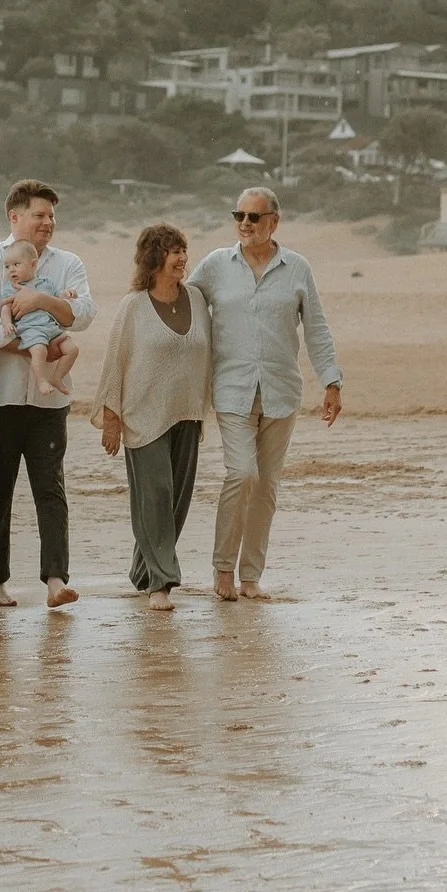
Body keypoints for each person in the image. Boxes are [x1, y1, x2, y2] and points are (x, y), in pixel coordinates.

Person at [190, 187, 343, 602]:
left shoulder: (297, 268)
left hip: (280, 391)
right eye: (238, 214)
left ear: (274, 221)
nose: (244, 223)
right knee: (242, 474)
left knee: (266, 486)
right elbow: (180, 303)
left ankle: (251, 576)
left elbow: (316, 328)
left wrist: (331, 381)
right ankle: (223, 570)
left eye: (254, 217)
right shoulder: (216, 265)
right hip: (231, 389)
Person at [0, 178, 96, 609]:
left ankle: (56, 581)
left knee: (50, 489)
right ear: (14, 216)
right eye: (39, 215)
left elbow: (84, 315)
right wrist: (45, 344)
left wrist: (41, 299)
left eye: (52, 215)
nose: (48, 223)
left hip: (49, 401)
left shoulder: (67, 263)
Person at [91, 223, 211, 611]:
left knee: (176, 501)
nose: (182, 259)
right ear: (154, 259)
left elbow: (207, 357)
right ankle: (162, 582)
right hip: (143, 414)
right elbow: (115, 361)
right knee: (155, 495)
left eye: (182, 250)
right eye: (173, 251)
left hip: (187, 413)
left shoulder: (196, 298)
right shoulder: (134, 306)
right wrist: (112, 418)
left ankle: (143, 572)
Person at [0, 239, 79, 398]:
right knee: (39, 351)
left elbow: (57, 297)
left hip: (51, 327)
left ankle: (57, 377)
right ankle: (41, 380)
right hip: (31, 329)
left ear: (33, 264)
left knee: (72, 349)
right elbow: (5, 307)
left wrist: (67, 294)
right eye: (7, 266)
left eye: (16, 264)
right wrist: (7, 323)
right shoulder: (11, 288)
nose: (11, 270)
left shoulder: (45, 283)